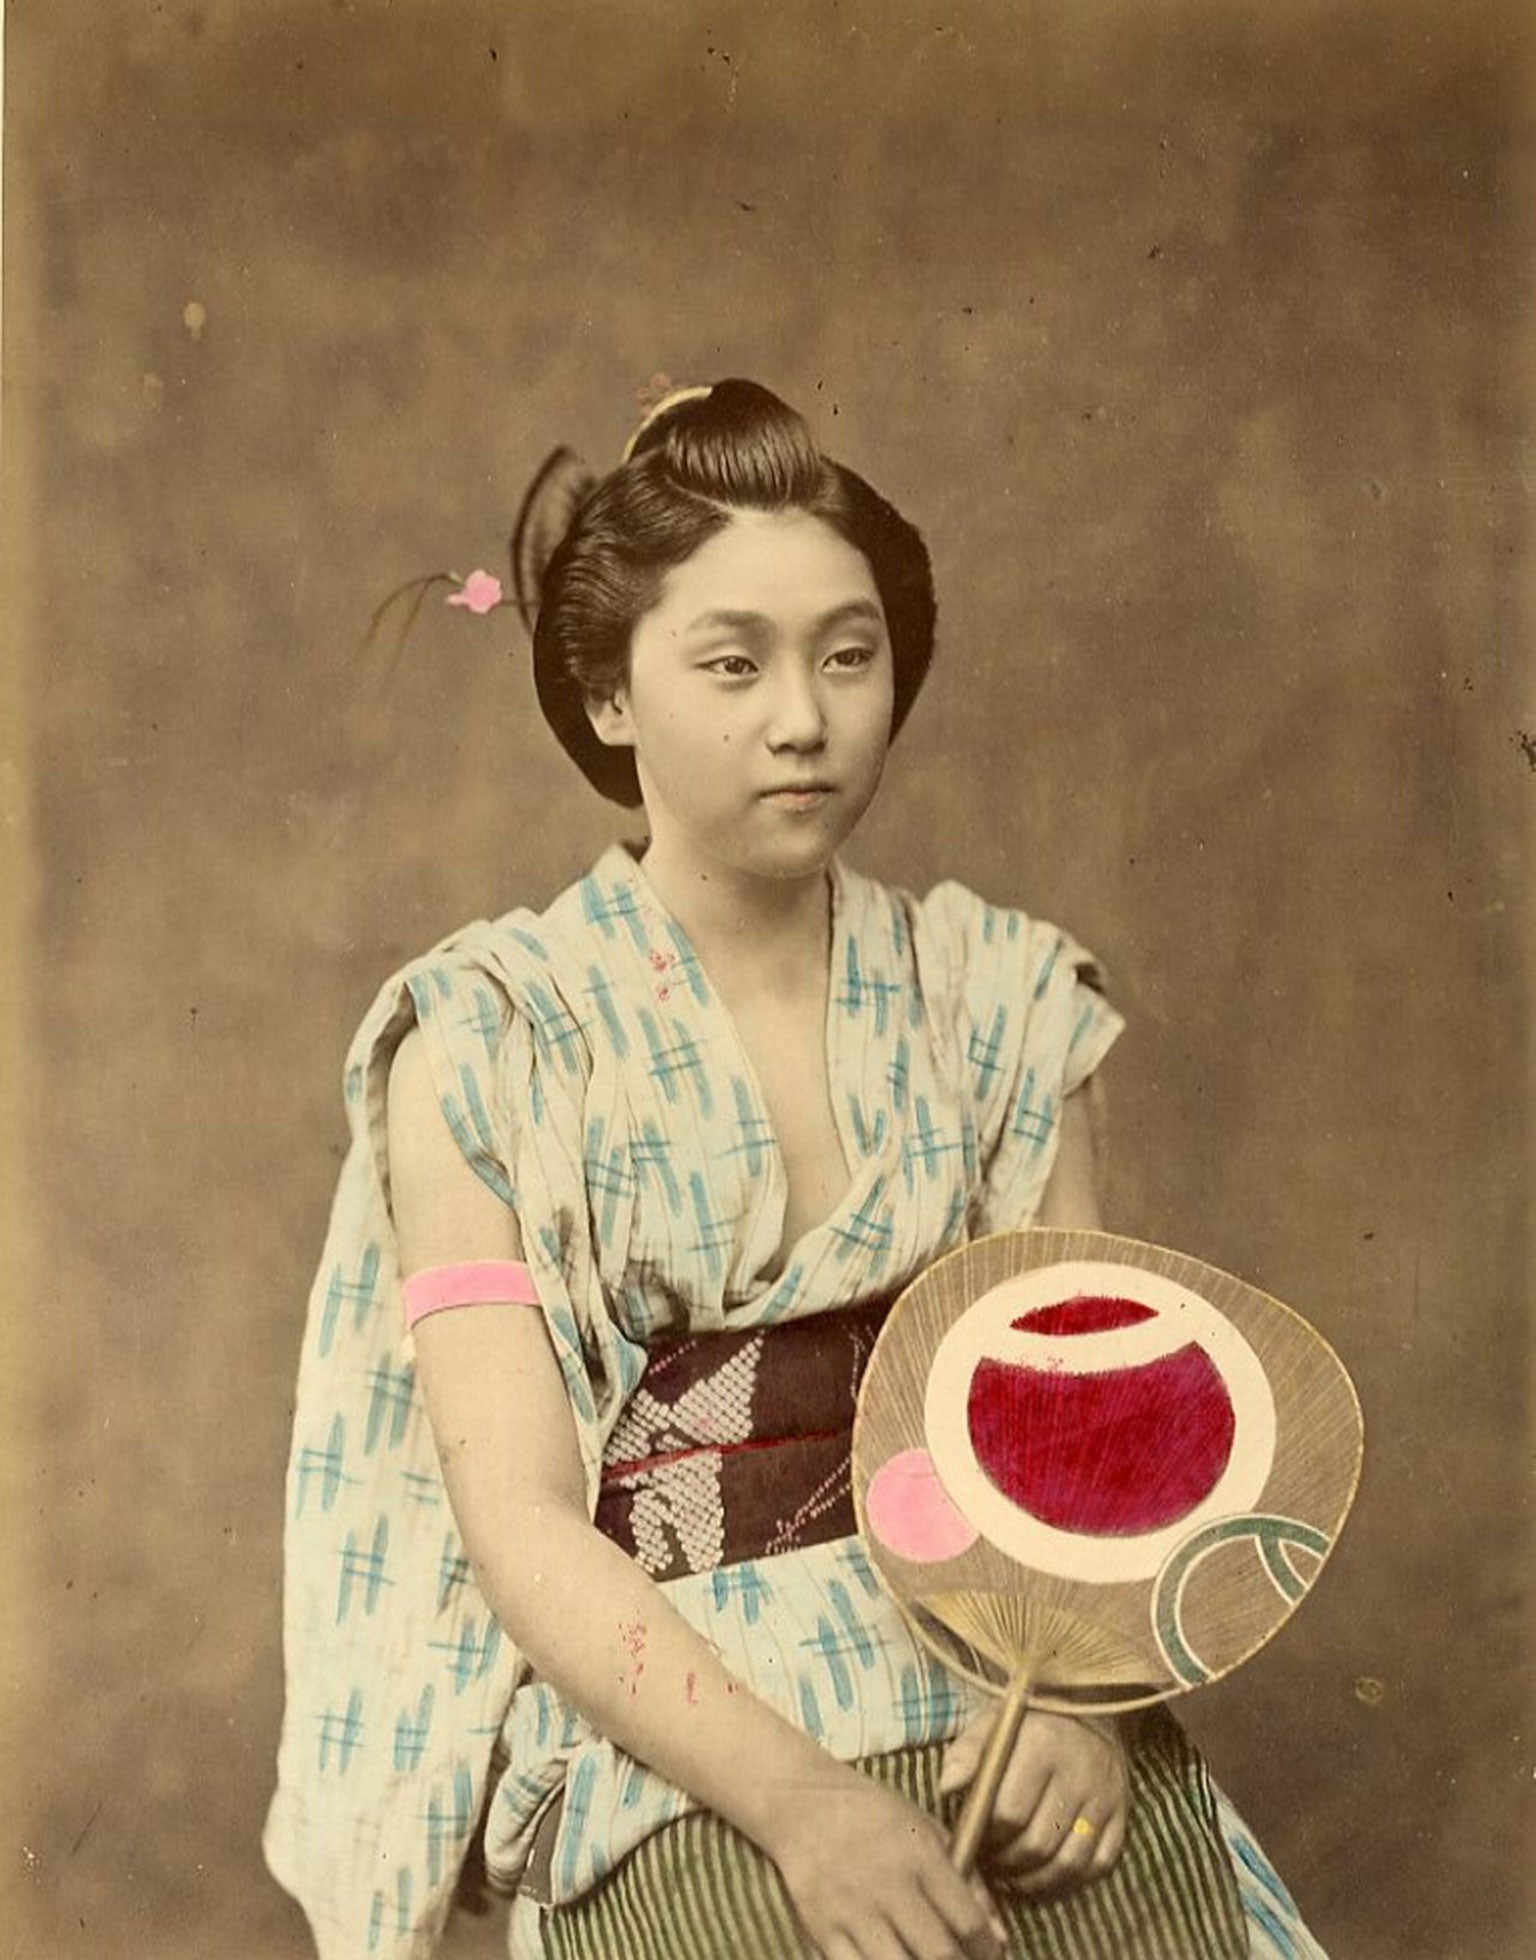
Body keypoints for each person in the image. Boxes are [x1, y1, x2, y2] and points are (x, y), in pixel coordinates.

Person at [264, 380, 1327, 1960]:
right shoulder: (487, 1042)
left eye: (849, 652)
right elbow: (524, 1522)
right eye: (731, 662)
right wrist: (808, 1807)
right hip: (685, 1729)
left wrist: (1087, 1711)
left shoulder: (999, 999)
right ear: (610, 698)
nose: (803, 715)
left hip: (1008, 1689)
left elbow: (1097, 1440)